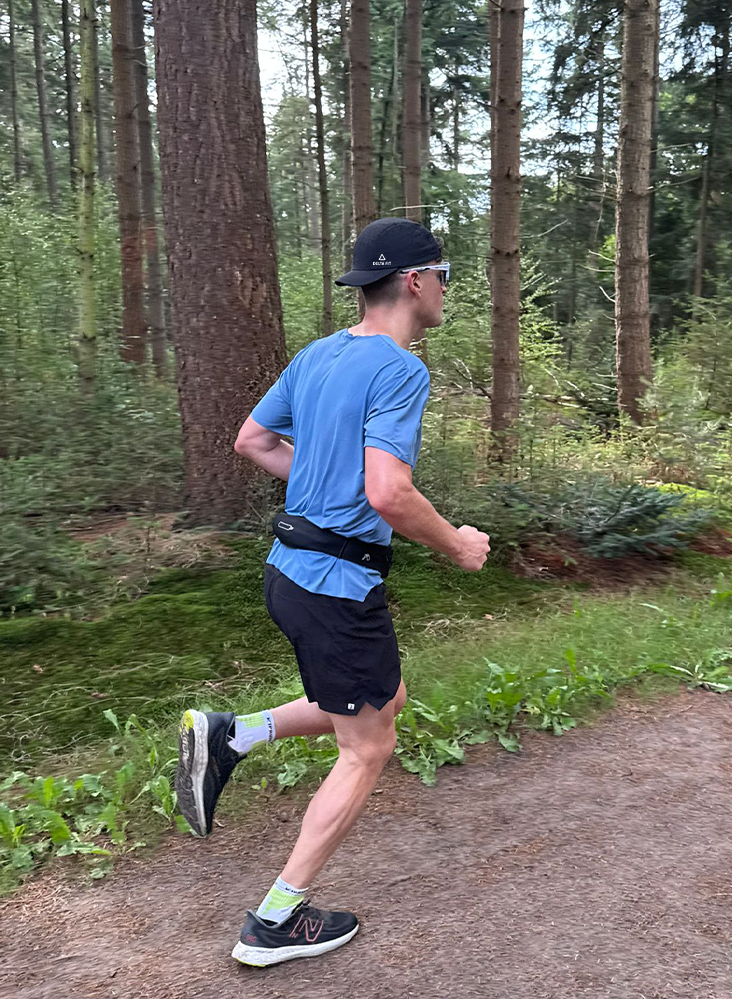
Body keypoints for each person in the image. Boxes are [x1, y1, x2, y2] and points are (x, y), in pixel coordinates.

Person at [174, 218, 491, 968]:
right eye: (443, 274)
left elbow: (251, 441)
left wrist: (325, 479)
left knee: (385, 699)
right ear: (415, 281)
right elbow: (389, 492)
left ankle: (234, 734)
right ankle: (273, 922)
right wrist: (456, 545)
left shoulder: (317, 355)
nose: (446, 288)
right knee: (367, 745)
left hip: (288, 568)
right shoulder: (400, 369)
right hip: (338, 584)